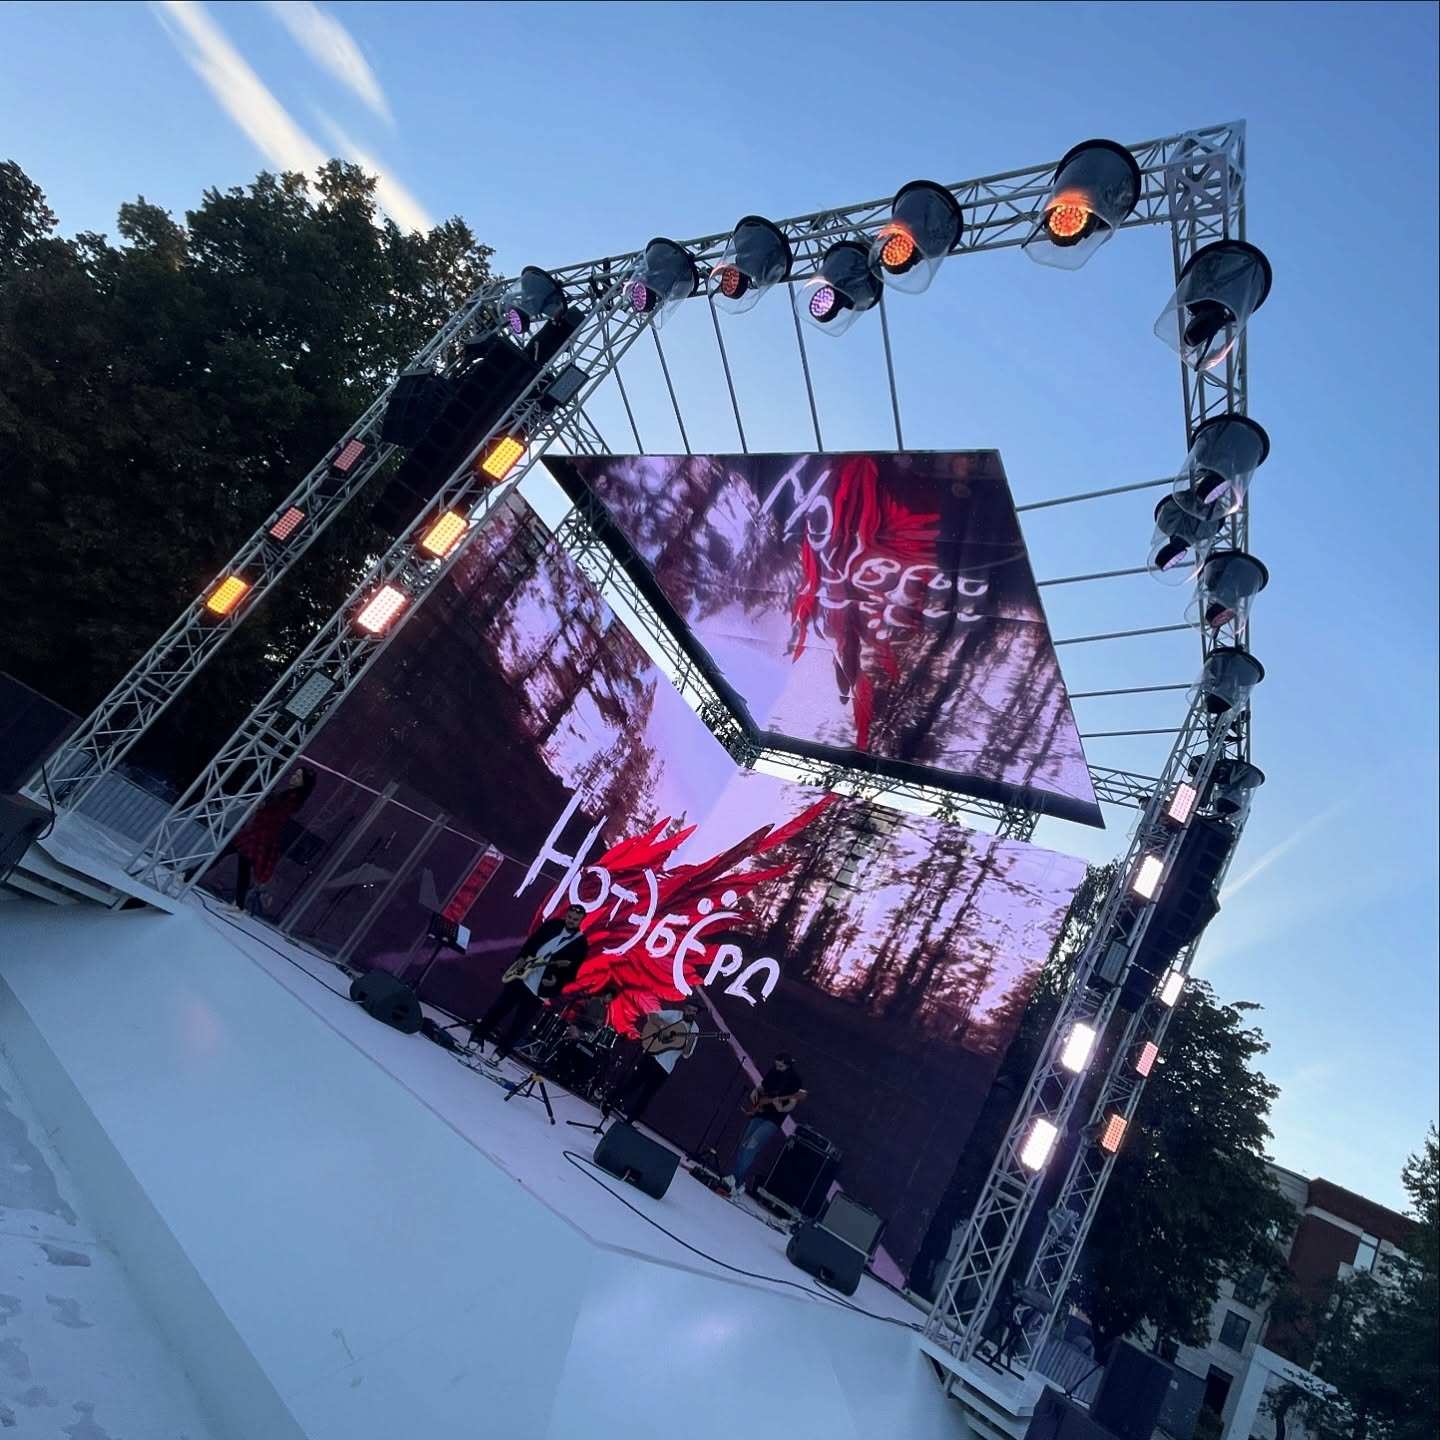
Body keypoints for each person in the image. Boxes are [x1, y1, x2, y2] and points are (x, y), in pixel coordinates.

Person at [470, 905, 589, 1066]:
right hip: (522, 975)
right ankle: (478, 1036)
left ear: (581, 920)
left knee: (520, 1023)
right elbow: (532, 942)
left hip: (540, 989)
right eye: (569, 917)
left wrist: (555, 982)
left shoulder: (580, 945)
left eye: (575, 919)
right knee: (499, 1008)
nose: (571, 921)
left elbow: (571, 972)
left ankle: (501, 1051)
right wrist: (522, 958)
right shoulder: (553, 925)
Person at [220, 766, 317, 914]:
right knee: (239, 862)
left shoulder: (293, 798)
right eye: (295, 774)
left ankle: (188, 876)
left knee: (230, 855)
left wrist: (263, 805)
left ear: (304, 783)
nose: (294, 777)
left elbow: (274, 813)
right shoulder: (288, 794)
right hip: (259, 832)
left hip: (261, 834)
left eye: (298, 777)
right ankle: (238, 905)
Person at [724, 1053, 807, 1196]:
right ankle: (734, 1179)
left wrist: (781, 1108)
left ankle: (735, 1179)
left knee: (751, 1146)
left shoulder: (795, 1080)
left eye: (781, 1066)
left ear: (788, 1066)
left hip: (774, 1119)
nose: (778, 1068)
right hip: (760, 1112)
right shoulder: (773, 1071)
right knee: (744, 1145)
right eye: (777, 1065)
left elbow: (791, 1103)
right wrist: (755, 1092)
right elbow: (762, 1088)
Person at [602, 1002, 699, 1123]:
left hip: (666, 1067)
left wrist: (691, 1040)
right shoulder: (675, 1015)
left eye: (694, 1012)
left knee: (647, 1095)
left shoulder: (695, 1029)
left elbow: (686, 1054)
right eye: (689, 1010)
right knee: (632, 1084)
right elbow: (652, 1015)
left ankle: (630, 1121)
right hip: (652, 1056)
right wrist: (662, 1027)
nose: (691, 1013)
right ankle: (608, 1103)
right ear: (685, 1009)